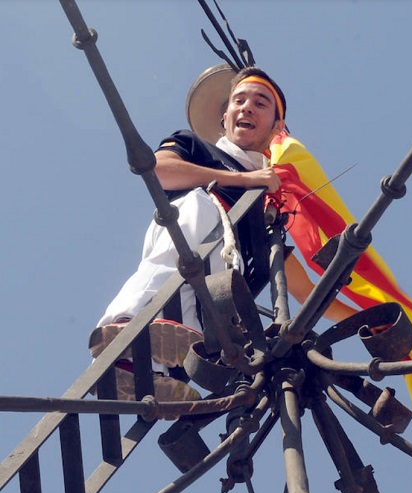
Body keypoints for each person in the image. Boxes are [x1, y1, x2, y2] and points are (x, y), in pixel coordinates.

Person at [90, 66, 357, 401]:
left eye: (260, 103)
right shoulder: (197, 148)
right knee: (199, 211)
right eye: (239, 101)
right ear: (225, 117)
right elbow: (159, 171)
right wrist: (246, 180)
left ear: (277, 127)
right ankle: (126, 325)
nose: (246, 107)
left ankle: (150, 375)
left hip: (209, 306)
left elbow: (305, 292)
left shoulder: (268, 215)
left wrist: (365, 321)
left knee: (231, 280)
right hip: (184, 240)